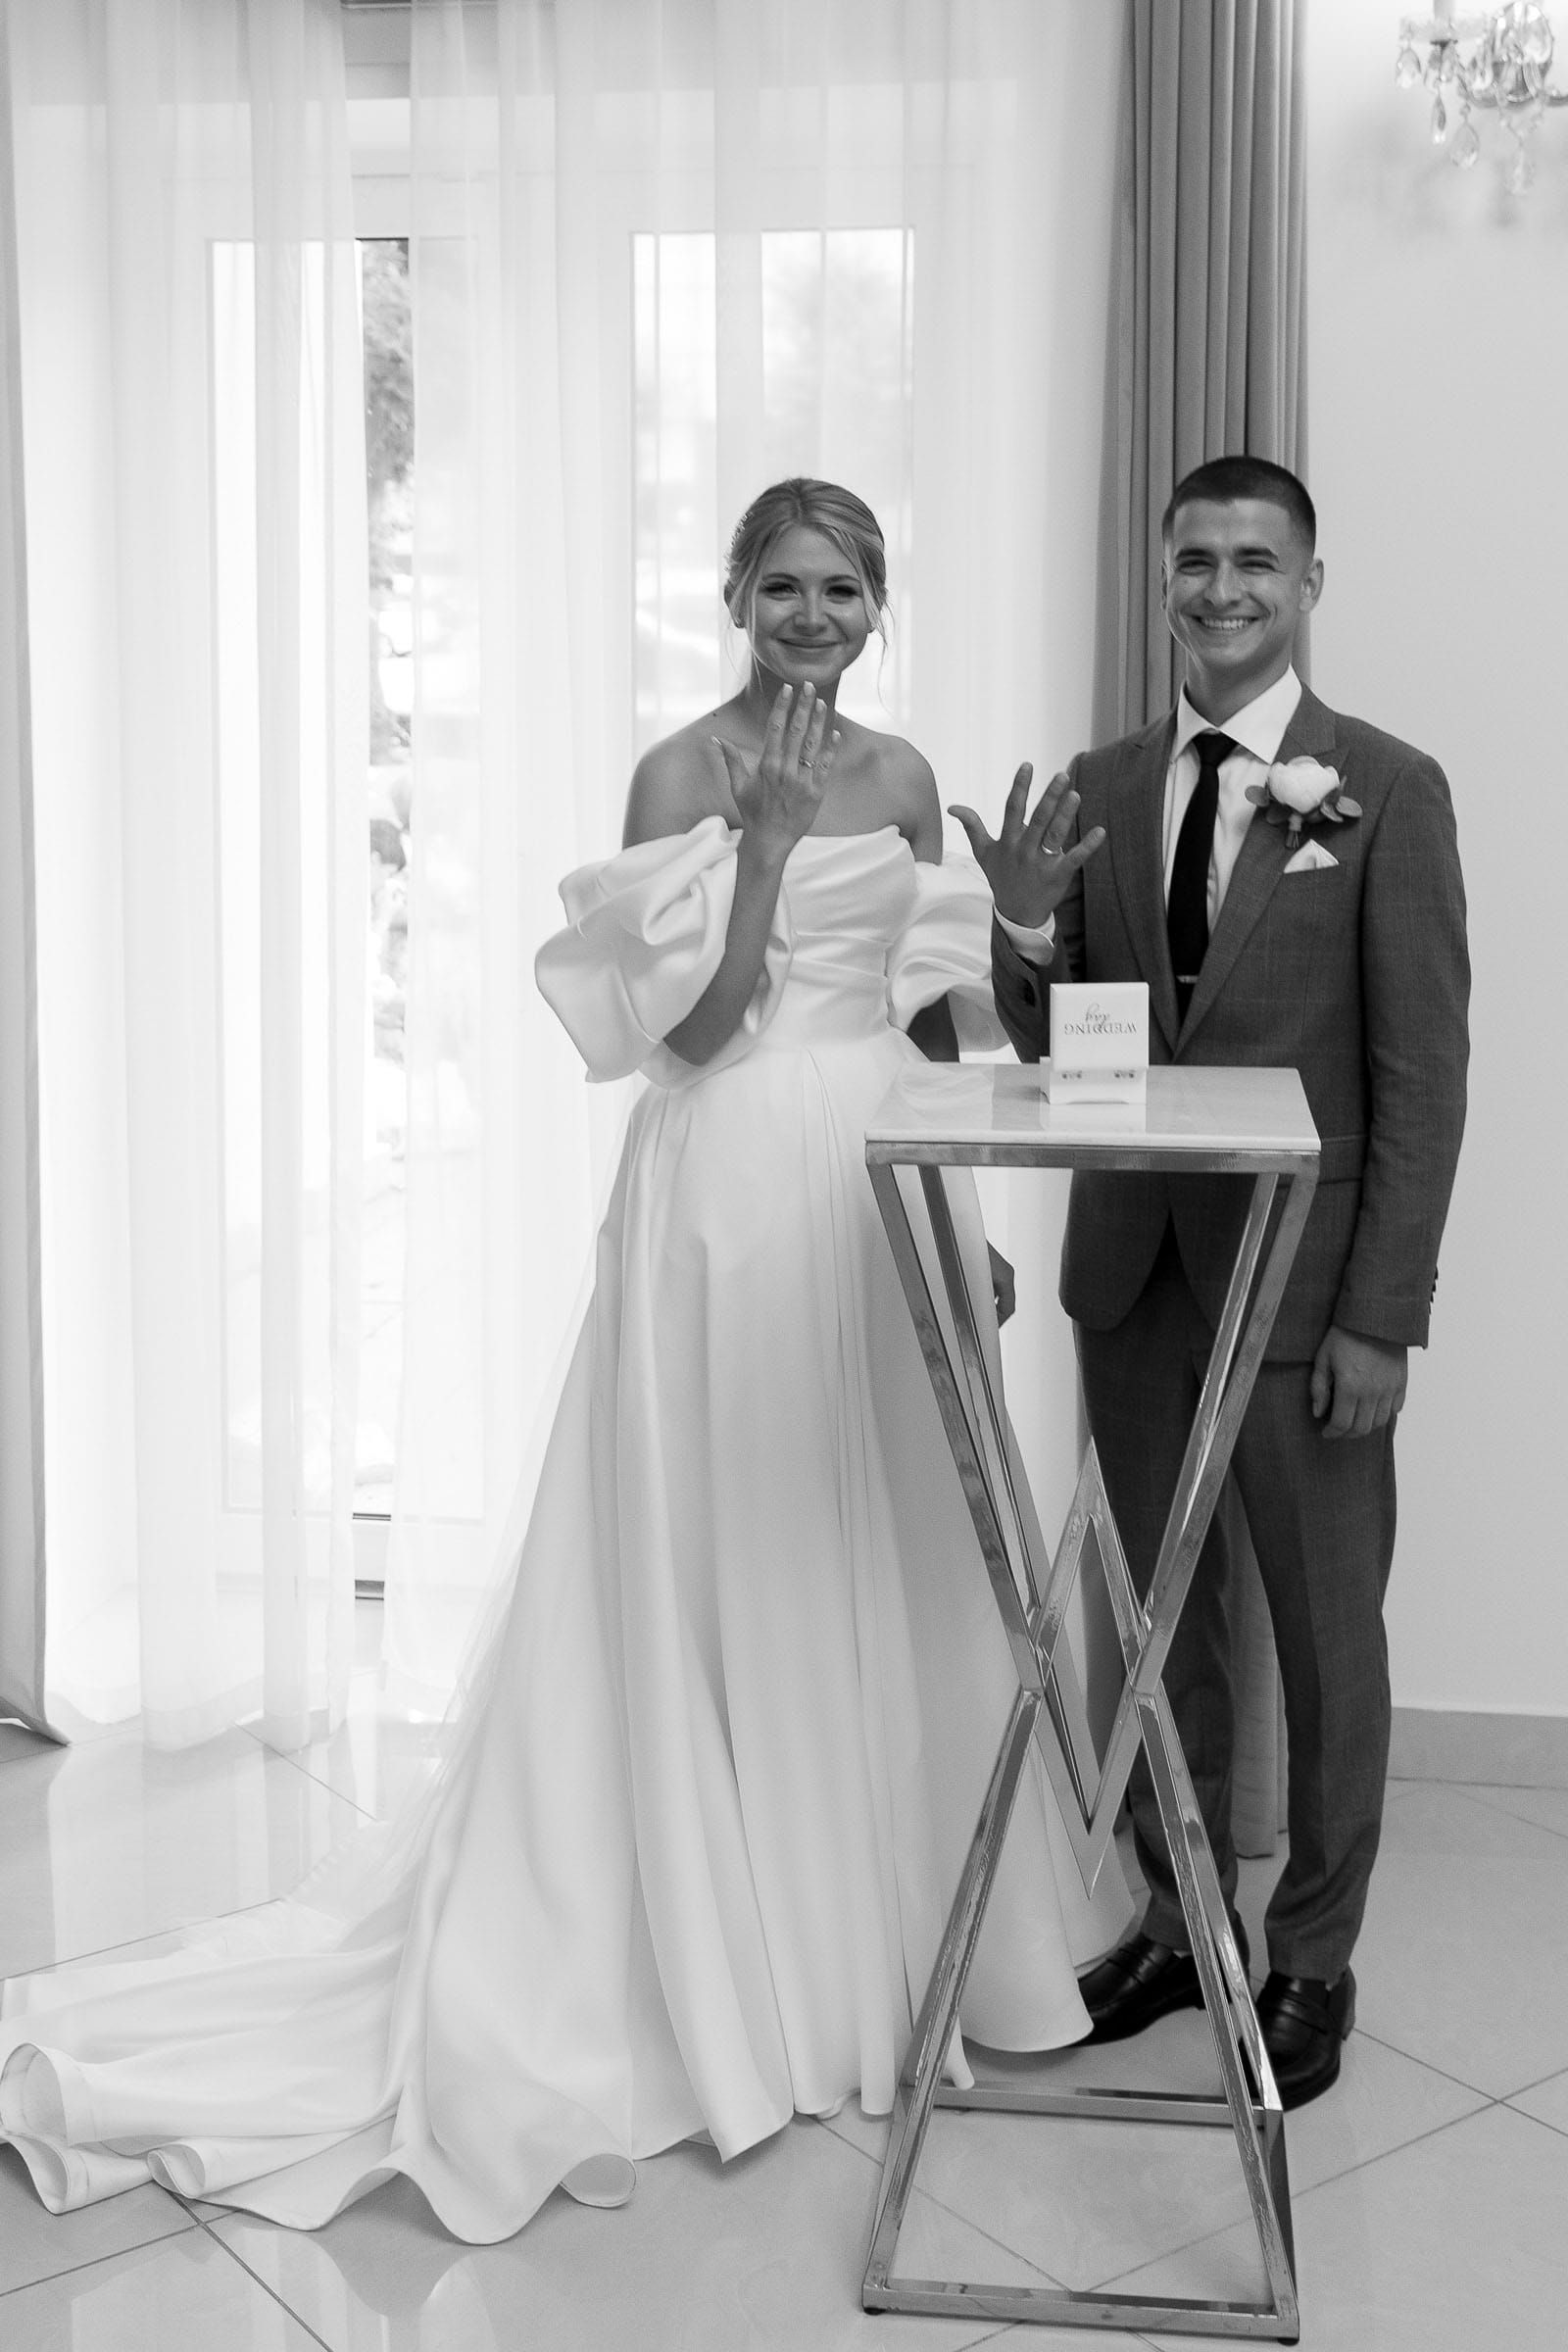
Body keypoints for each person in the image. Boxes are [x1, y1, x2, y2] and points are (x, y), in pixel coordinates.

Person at [0, 478, 1126, 2241]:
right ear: (733, 598)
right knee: (718, 1547)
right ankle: (719, 1960)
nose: (812, 616)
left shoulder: (909, 775)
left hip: (878, 1175)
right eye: (782, 586)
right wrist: (761, 857)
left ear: (877, 604)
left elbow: (928, 1022)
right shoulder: (680, 776)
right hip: (726, 1186)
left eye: (842, 589)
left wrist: (997, 1037)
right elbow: (689, 1036)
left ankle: (900, 1941)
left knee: (889, 1537)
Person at [953, 454, 1469, 2110]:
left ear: (1309, 581)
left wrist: (1383, 1312)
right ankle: (1184, 1928)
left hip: (1310, 1300)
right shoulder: (1103, 781)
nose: (1222, 587)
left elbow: (1423, 1080)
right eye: (1195, 559)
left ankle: (1312, 1956)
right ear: (1163, 575)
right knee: (1159, 1633)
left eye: (1256, 559)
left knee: (1326, 1642)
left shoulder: (1386, 790)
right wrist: (1025, 939)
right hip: (1137, 1283)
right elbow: (1069, 1050)